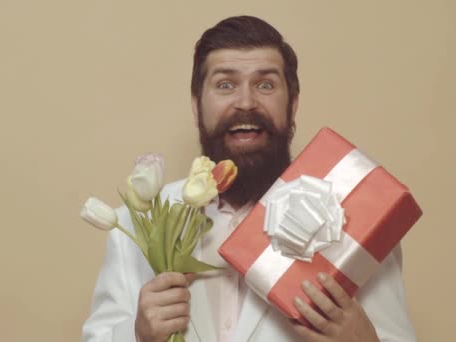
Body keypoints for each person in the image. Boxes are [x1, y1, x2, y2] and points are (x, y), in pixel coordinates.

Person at [82, 16, 417, 342]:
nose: (245, 102)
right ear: (197, 104)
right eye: (225, 84)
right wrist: (137, 335)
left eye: (265, 84)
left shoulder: (358, 223)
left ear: (293, 104)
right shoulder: (137, 225)